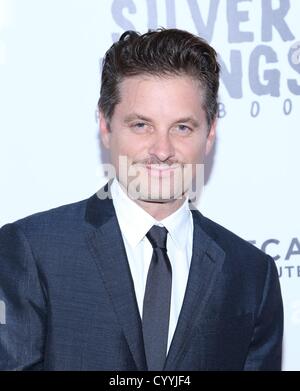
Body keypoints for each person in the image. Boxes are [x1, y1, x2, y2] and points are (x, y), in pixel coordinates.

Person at [0, 28, 283, 371]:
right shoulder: (34, 250)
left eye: (182, 127)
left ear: (209, 135)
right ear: (105, 125)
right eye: (141, 125)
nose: (162, 151)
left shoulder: (251, 274)